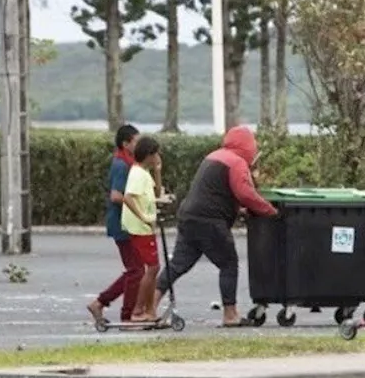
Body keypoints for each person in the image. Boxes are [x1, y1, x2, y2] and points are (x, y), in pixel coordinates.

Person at [150, 126, 277, 327]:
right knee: (228, 263)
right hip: (209, 220)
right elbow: (244, 193)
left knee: (178, 264)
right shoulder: (237, 162)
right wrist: (269, 210)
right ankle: (230, 314)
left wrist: (239, 210)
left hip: (189, 215)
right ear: (247, 146)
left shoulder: (214, 156)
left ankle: (150, 307)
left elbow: (217, 191)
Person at [86, 125, 143, 324]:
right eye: (136, 141)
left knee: (135, 269)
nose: (139, 144)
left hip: (127, 223)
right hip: (123, 224)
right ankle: (124, 314)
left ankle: (104, 304)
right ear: (126, 144)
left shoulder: (129, 162)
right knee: (136, 270)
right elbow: (116, 195)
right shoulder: (121, 165)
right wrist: (138, 208)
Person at [121, 136, 165, 323]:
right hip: (141, 228)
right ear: (148, 155)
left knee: (153, 268)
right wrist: (144, 217)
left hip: (147, 227)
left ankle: (149, 310)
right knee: (153, 267)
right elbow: (128, 197)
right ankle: (139, 311)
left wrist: (157, 171)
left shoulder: (145, 173)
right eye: (155, 154)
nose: (157, 157)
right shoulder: (137, 174)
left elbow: (156, 193)